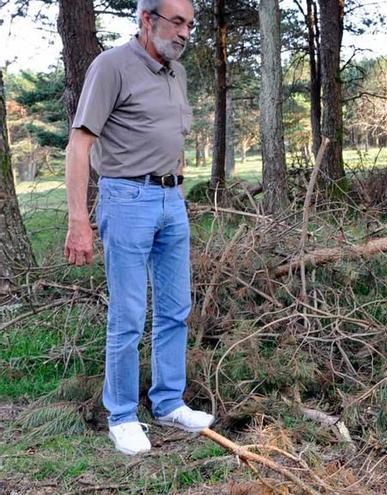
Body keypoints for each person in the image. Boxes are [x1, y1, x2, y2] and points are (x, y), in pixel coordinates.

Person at [64, 0, 213, 455]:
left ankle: (168, 402)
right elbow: (79, 144)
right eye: (177, 22)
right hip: (126, 199)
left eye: (190, 23)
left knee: (174, 309)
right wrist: (78, 221)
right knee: (128, 314)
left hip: (172, 200)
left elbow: (172, 140)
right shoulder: (111, 67)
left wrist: (176, 194)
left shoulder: (176, 74)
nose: (186, 32)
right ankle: (123, 415)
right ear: (147, 19)